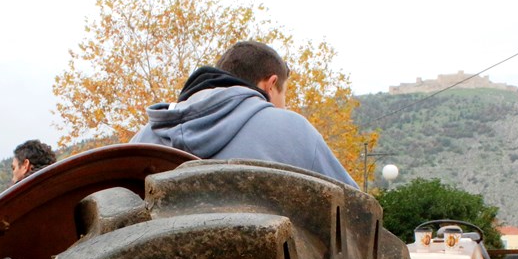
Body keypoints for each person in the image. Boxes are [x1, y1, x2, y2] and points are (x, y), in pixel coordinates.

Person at [130, 40, 357, 187]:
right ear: (271, 84)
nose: (284, 107)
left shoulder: (142, 139)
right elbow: (358, 218)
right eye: (284, 95)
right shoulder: (294, 131)